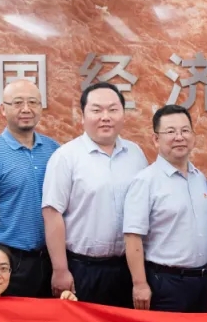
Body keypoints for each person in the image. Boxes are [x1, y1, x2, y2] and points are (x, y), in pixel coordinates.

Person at [42, 82, 148, 307]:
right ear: (82, 116)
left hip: (128, 268)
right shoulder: (66, 157)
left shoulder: (136, 154)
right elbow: (52, 214)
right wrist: (60, 270)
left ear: (123, 114)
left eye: (113, 109)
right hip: (83, 269)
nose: (105, 117)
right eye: (97, 110)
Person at [0, 80, 60, 299]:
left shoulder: (54, 150)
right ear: (3, 109)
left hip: (51, 258)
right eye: (18, 103)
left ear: (41, 107)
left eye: (33, 102)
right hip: (10, 261)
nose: (26, 109)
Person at [123, 105, 207, 312]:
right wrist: (140, 284)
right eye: (171, 131)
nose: (179, 137)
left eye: (185, 130)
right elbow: (132, 237)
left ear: (193, 136)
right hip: (166, 283)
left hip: (201, 281)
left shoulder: (199, 178)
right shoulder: (146, 181)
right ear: (156, 139)